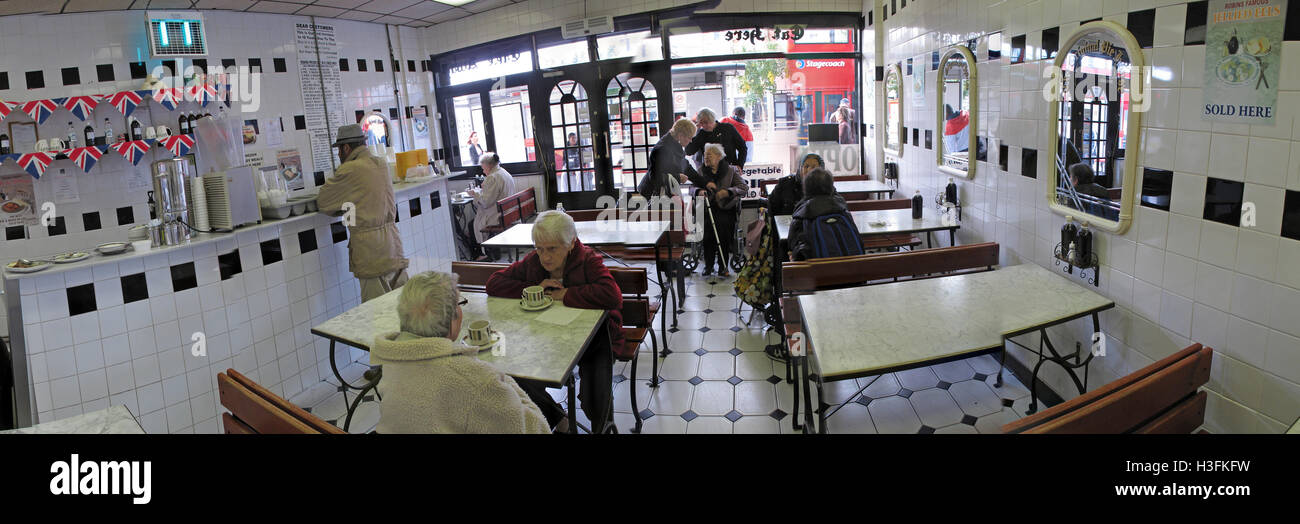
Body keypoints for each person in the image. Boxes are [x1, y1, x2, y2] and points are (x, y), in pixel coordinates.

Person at [485, 211, 623, 433]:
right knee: (514, 374)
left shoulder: (588, 260)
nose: (545, 257)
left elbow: (612, 295)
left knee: (594, 398)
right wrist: (533, 288)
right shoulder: (533, 263)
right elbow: (494, 283)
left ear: (570, 244)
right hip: (547, 338)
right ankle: (559, 418)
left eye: (552, 249)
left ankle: (603, 427)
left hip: (596, 339)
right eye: (539, 248)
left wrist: (566, 294)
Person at [370, 271, 550, 434]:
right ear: (450, 319)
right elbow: (537, 429)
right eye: (459, 304)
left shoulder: (393, 359)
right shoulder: (475, 379)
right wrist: (503, 379)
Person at [317, 124, 409, 302]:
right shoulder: (381, 163)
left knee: (378, 315)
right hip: (393, 245)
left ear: (346, 148)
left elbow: (324, 202)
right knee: (403, 308)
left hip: (371, 254)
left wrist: (343, 204)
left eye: (339, 151)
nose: (339, 155)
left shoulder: (350, 169)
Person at [687, 143, 747, 277]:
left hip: (725, 209)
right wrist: (699, 191)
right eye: (705, 155)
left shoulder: (731, 170)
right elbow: (691, 188)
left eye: (709, 155)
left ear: (719, 157)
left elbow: (744, 187)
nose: (706, 158)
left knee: (723, 230)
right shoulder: (701, 171)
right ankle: (708, 266)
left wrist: (728, 192)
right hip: (707, 208)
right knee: (708, 233)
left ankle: (722, 266)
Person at [788, 168, 853, 261]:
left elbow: (791, 244)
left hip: (817, 273)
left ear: (805, 189)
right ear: (831, 188)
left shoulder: (801, 214)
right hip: (852, 270)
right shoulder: (843, 209)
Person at [638, 118, 698, 200]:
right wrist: (678, 177)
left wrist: (706, 183)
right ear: (680, 135)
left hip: (662, 194)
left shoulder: (675, 146)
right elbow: (655, 178)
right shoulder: (662, 149)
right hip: (652, 195)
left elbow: (686, 167)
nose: (691, 141)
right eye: (689, 137)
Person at [471, 152, 516, 260]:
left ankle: (482, 255)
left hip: (498, 215)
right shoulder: (504, 172)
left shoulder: (492, 177)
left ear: (488, 165)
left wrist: (474, 194)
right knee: (474, 222)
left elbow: (485, 202)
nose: (483, 171)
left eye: (483, 168)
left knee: (471, 224)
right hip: (508, 212)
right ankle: (489, 253)